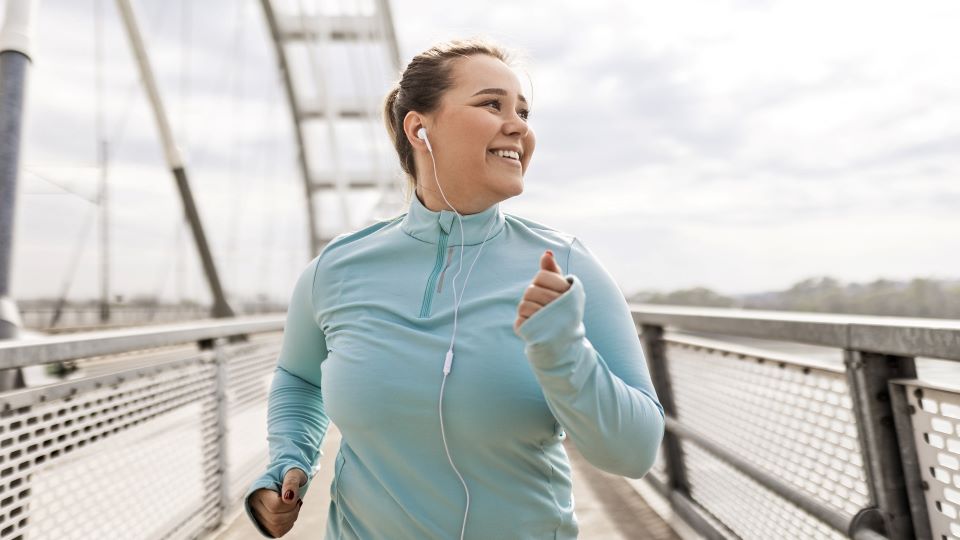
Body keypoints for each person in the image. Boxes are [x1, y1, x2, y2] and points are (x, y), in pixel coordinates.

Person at [244, 38, 665, 539]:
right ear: (420, 128)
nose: (519, 126)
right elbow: (299, 379)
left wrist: (563, 353)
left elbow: (635, 453)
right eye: (492, 104)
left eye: (523, 111)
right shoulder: (335, 269)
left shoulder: (567, 267)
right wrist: (289, 461)